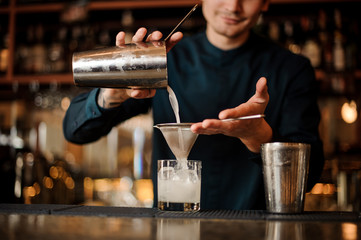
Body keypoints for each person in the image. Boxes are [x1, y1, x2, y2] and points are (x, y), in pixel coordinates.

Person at [63, 0, 324, 210]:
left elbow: (309, 176)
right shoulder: (167, 59)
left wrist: (260, 138)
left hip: (258, 230)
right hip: (173, 227)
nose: (233, 6)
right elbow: (75, 130)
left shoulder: (292, 69)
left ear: (266, 3)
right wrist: (112, 94)